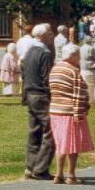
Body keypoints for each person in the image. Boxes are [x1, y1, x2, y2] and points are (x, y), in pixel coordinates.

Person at [49, 44, 93, 184]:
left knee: (60, 143)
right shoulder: (74, 71)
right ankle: (71, 175)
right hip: (70, 111)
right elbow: (80, 93)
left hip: (55, 111)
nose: (79, 58)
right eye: (78, 55)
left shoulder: (55, 69)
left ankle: (58, 174)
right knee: (72, 145)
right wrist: (82, 112)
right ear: (73, 56)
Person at [20, 23, 56, 180]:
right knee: (51, 131)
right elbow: (47, 78)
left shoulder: (28, 51)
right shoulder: (45, 53)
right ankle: (40, 169)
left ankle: (30, 166)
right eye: (49, 33)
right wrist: (52, 95)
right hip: (41, 95)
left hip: (29, 94)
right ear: (42, 35)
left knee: (34, 131)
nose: (52, 35)